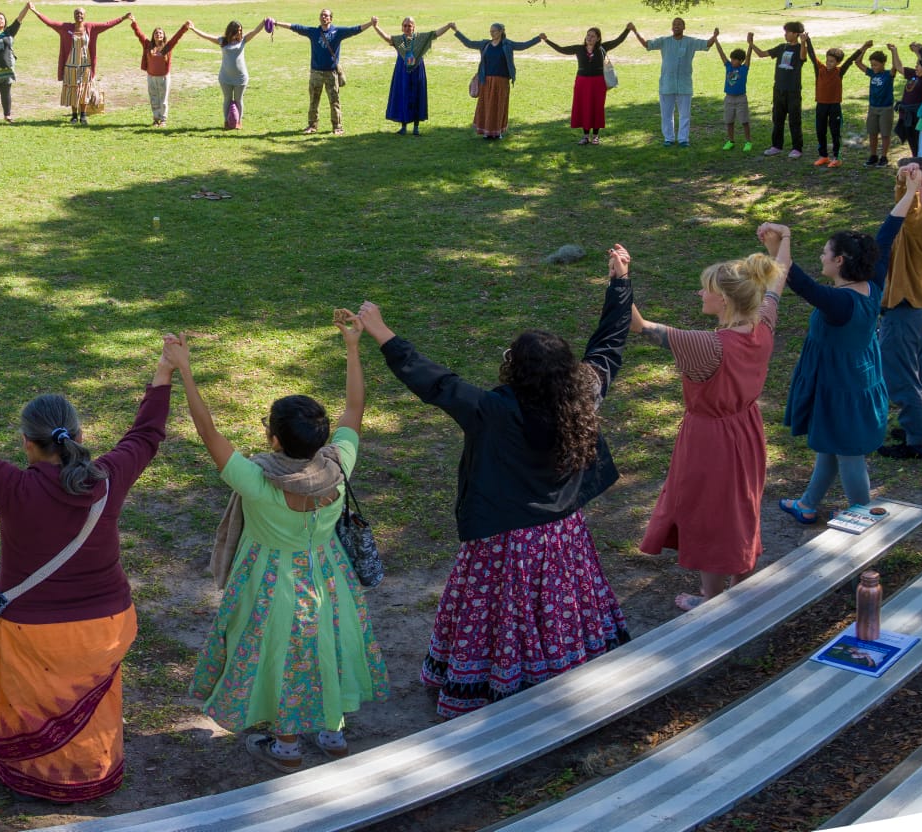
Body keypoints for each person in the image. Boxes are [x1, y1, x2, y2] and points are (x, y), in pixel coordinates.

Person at [362, 247, 635, 718]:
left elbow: (434, 382)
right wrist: (620, 284)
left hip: (505, 541)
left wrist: (382, 331)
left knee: (501, 613)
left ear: (515, 368)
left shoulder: (491, 411)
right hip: (561, 536)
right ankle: (561, 670)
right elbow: (609, 344)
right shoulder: (583, 394)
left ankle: (501, 682)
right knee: (555, 607)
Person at [0, 329, 170, 800]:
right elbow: (146, 435)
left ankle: (34, 777)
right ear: (80, 436)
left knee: (33, 702)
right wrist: (164, 372)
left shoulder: (13, 487)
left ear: (27, 444)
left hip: (35, 630)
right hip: (106, 627)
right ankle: (94, 770)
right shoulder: (107, 480)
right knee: (93, 706)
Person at [182, 313, 391, 769]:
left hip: (270, 583)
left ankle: (287, 744)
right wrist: (353, 346)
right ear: (320, 438)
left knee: (280, 656)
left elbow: (207, 432)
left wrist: (183, 369)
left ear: (273, 438)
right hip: (330, 576)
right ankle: (333, 734)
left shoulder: (257, 481)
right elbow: (354, 411)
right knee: (327, 645)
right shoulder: (339, 465)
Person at [631, 249, 787, 610]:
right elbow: (778, 281)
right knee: (740, 506)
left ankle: (712, 599)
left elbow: (638, 325)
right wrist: (783, 241)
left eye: (706, 289)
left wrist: (620, 278)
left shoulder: (707, 346)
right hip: (747, 429)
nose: (701, 294)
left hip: (709, 440)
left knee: (710, 513)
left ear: (727, 300)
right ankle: (739, 583)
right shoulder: (763, 323)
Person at [771, 223, 888, 523]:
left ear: (840, 260)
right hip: (856, 379)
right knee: (832, 445)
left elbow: (793, 278)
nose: (821, 256)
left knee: (849, 453)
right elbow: (889, 231)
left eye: (825, 252)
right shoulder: (873, 283)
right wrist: (910, 190)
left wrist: (786, 236)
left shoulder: (839, 302)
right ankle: (808, 504)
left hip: (841, 385)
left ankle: (864, 518)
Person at [874, 159, 922, 459]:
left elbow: (907, 212)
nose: (900, 179)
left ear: (919, 185)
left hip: (903, 307)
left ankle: (918, 441)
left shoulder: (919, 219)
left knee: (901, 376)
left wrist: (905, 187)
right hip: (918, 307)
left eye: (906, 176)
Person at [33, 5, 129, 125]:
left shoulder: (90, 27)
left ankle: (83, 115)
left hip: (85, 65)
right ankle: (74, 116)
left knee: (84, 90)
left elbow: (107, 24)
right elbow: (50, 23)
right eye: (77, 13)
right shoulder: (66, 27)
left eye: (81, 14)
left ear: (85, 16)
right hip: (70, 66)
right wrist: (35, 11)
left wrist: (123, 18)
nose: (79, 15)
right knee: (73, 90)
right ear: (74, 16)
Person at [279, 9, 367, 135]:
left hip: (331, 73)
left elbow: (354, 30)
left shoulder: (338, 32)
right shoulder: (314, 32)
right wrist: (276, 23)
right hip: (316, 73)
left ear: (331, 18)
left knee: (334, 101)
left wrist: (370, 23)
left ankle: (337, 127)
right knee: (314, 100)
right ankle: (312, 126)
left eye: (326, 15)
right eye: (322, 15)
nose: (324, 17)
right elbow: (295, 27)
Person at [545, 25, 633, 145]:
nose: (589, 38)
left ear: (598, 38)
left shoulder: (603, 48)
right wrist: (546, 40)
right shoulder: (579, 48)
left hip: (598, 82)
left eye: (592, 36)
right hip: (582, 82)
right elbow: (561, 49)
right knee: (584, 107)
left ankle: (596, 136)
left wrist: (628, 29)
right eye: (588, 35)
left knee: (597, 107)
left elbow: (618, 40)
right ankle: (586, 136)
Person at [636, 18, 717, 148]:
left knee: (685, 114)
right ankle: (668, 138)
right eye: (674, 24)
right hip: (667, 84)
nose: (676, 26)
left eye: (679, 24)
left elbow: (706, 44)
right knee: (666, 114)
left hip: (684, 85)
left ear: (684, 27)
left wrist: (714, 36)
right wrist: (635, 31)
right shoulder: (664, 41)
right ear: (671, 27)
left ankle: (683, 139)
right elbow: (647, 45)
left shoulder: (690, 41)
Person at [368, 17, 455, 135]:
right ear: (402, 27)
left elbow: (435, 34)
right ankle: (403, 127)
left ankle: (416, 127)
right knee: (403, 96)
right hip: (402, 71)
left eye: (409, 25)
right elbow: (387, 38)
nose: (407, 28)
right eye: (405, 25)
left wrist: (448, 26)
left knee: (417, 96)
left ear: (414, 27)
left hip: (417, 71)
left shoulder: (419, 39)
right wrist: (376, 26)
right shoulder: (401, 41)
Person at [456, 23, 542, 140]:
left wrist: (538, 38)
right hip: (486, 81)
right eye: (490, 31)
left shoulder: (508, 44)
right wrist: (456, 31)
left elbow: (523, 45)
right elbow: (469, 43)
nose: (492, 33)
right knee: (486, 106)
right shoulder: (485, 44)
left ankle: (497, 132)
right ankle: (487, 132)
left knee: (499, 106)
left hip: (502, 81)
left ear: (501, 31)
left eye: (494, 31)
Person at [754, 22, 811, 159]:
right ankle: (776, 146)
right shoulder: (781, 47)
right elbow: (762, 54)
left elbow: (803, 57)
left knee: (794, 120)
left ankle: (797, 148)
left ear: (795, 34)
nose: (785, 34)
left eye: (788, 32)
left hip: (793, 90)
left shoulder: (800, 48)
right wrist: (751, 43)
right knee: (777, 119)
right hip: (778, 89)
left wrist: (803, 43)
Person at [187, 21, 258, 130]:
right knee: (227, 99)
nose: (239, 32)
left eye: (240, 30)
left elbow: (255, 32)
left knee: (239, 99)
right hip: (225, 78)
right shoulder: (223, 41)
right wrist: (193, 29)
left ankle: (239, 121)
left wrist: (264, 22)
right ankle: (226, 120)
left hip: (240, 78)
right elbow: (206, 36)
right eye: (237, 30)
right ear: (231, 31)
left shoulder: (243, 40)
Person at [811, 43, 871, 168]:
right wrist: (807, 40)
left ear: (837, 63)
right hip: (821, 106)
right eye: (827, 60)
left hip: (834, 106)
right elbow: (812, 55)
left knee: (835, 132)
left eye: (832, 61)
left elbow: (851, 60)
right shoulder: (820, 69)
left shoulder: (839, 72)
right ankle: (823, 156)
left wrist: (864, 47)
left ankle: (836, 158)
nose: (828, 63)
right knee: (820, 131)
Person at [132, 20, 190, 127]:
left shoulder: (167, 46)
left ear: (163, 36)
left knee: (163, 100)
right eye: (156, 33)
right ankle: (156, 119)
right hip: (151, 77)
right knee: (153, 98)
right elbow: (139, 34)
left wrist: (184, 27)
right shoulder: (148, 45)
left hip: (164, 77)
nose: (158, 35)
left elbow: (177, 37)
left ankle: (163, 120)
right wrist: (134, 22)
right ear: (153, 36)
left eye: (160, 33)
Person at [863, 45, 903, 167]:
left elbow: (896, 66)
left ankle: (884, 157)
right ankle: (873, 155)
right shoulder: (871, 73)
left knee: (885, 134)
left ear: (883, 63)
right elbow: (857, 62)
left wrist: (894, 51)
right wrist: (864, 48)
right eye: (872, 65)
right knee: (872, 133)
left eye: (876, 65)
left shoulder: (888, 75)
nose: (873, 67)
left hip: (886, 108)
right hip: (873, 107)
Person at [715, 37, 754, 151]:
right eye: (731, 59)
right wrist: (716, 40)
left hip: (741, 98)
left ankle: (748, 142)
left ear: (741, 60)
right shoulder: (728, 66)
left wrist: (750, 44)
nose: (732, 61)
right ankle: (731, 141)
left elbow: (749, 56)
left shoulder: (744, 69)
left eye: (735, 60)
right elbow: (721, 53)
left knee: (744, 121)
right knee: (729, 121)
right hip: (729, 98)